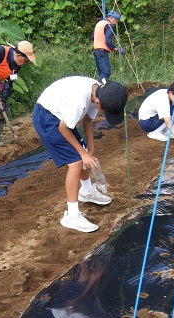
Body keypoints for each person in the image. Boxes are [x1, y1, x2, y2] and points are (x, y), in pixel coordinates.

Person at [32, 76, 128, 233]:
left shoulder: (98, 92)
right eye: (105, 111)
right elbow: (63, 128)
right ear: (98, 103)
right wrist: (83, 154)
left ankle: (87, 191)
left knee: (83, 153)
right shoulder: (80, 99)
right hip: (47, 116)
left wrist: (90, 150)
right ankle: (72, 215)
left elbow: (88, 121)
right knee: (76, 162)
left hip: (58, 115)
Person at [138, 81, 174, 145]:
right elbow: (168, 122)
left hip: (152, 118)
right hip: (147, 122)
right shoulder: (163, 99)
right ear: (171, 93)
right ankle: (155, 133)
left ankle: (164, 131)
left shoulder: (167, 93)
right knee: (173, 111)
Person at [92, 10, 126, 83]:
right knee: (106, 72)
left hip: (96, 51)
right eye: (116, 21)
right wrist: (117, 49)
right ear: (113, 18)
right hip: (102, 52)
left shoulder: (99, 23)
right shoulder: (108, 25)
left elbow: (92, 37)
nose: (116, 23)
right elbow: (108, 41)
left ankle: (99, 89)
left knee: (101, 72)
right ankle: (98, 88)